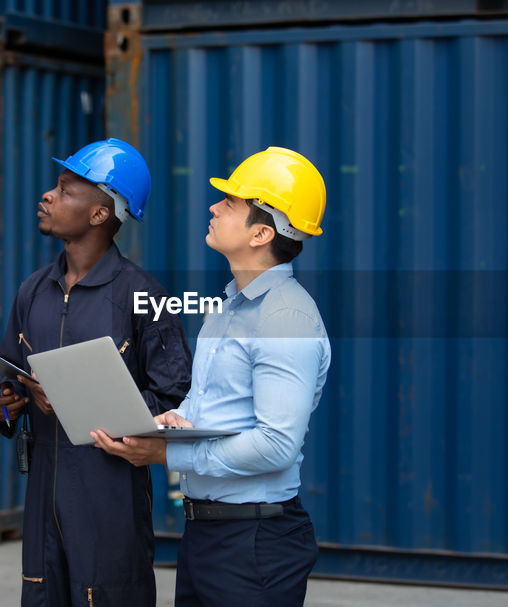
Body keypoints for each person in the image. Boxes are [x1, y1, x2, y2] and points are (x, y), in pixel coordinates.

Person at [92, 146, 331, 606]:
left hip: (254, 542)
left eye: (232, 203)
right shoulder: (227, 308)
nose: (214, 207)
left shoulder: (285, 317)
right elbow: (214, 406)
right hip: (208, 533)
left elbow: (277, 444)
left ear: (261, 232)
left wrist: (167, 456)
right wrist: (172, 423)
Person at [0, 138, 192, 606]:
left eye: (65, 189)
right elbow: (7, 376)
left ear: (100, 214)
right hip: (44, 498)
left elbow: (174, 400)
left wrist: (86, 400)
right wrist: (7, 402)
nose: (48, 195)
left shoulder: (146, 297)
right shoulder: (33, 291)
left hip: (109, 500)